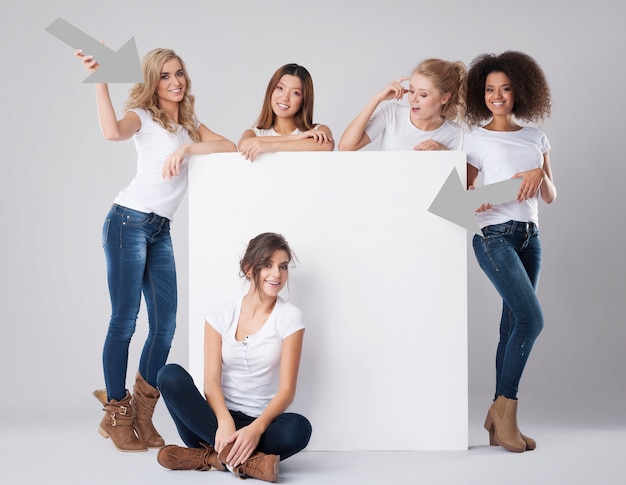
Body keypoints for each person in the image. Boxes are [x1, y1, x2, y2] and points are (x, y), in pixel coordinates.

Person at [74, 47, 237, 452]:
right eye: (165, 76)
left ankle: (143, 419)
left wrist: (187, 148)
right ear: (153, 82)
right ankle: (117, 416)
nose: (175, 82)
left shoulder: (190, 125)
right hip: (127, 222)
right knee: (125, 321)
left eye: (179, 73)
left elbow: (231, 147)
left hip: (159, 229)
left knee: (164, 327)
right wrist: (101, 81)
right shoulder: (144, 118)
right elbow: (112, 132)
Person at [156, 232, 311, 482]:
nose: (277, 274)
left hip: (260, 426)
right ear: (249, 269)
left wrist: (256, 428)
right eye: (268, 265)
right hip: (211, 423)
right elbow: (211, 382)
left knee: (299, 428)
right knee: (169, 374)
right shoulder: (219, 316)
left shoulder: (290, 317)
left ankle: (209, 458)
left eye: (283, 266)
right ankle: (245, 462)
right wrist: (223, 421)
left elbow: (286, 391)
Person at [463, 51, 557, 453]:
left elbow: (551, 195)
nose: (496, 96)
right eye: (489, 89)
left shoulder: (536, 136)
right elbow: (459, 199)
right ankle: (507, 411)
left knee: (511, 326)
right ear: (480, 94)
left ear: (520, 91)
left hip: (530, 236)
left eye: (504, 88)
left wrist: (539, 172)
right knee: (530, 320)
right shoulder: (474, 138)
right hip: (493, 236)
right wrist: (480, 198)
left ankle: (496, 414)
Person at [338, 58, 466, 151]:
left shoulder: (454, 134)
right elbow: (346, 146)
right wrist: (376, 99)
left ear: (444, 98)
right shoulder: (392, 113)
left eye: (423, 95)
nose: (413, 99)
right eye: (411, 90)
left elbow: (454, 184)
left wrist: (443, 152)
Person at [238, 63, 334, 161]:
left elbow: (327, 145)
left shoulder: (318, 130)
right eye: (280, 88)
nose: (285, 98)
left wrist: (272, 147)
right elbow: (243, 144)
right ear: (271, 90)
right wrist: (297, 137)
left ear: (304, 100)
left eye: (295, 93)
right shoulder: (255, 133)